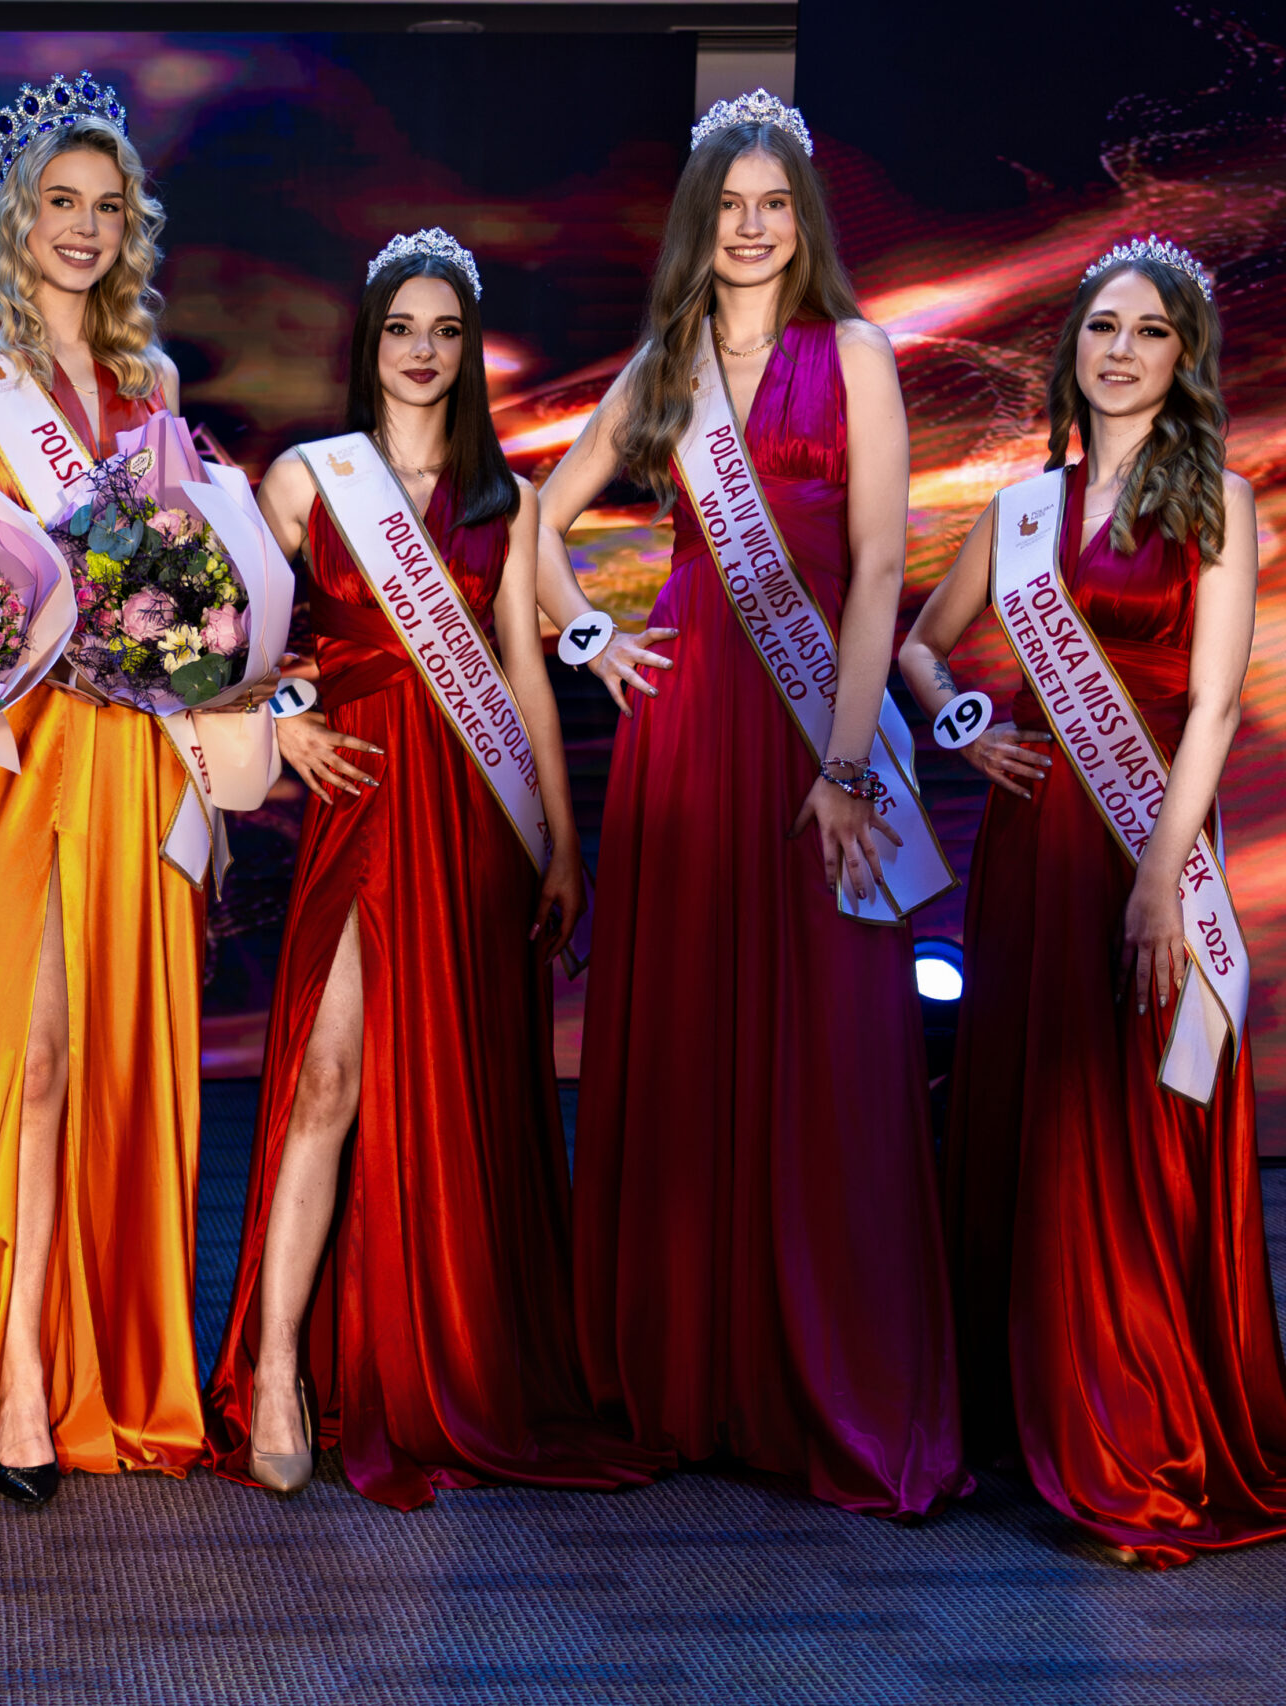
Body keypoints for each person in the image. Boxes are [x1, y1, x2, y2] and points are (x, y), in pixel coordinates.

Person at [532, 91, 968, 1518]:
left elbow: (879, 569)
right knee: (690, 1032)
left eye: (774, 204)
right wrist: (590, 634)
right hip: (686, 726)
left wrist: (843, 767)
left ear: (805, 218)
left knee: (829, 1041)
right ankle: (688, 1376)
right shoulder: (665, 362)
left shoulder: (855, 355)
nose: (753, 226)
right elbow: (540, 520)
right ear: (699, 221)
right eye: (729, 205)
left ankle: (818, 1378)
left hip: (814, 731)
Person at [203, 232, 660, 1508]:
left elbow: (521, 674)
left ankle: (441, 1355)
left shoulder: (501, 502)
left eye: (445, 331)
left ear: (466, 352)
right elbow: (230, 633)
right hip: (359, 803)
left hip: (469, 811)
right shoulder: (307, 479)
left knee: (453, 1090)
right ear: (371, 342)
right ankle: (279, 1370)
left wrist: (560, 842)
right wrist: (281, 723)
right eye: (401, 327)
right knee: (328, 1076)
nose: (422, 349)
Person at [901, 238, 1286, 1568]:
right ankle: (1026, 1413)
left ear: (1185, 358)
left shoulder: (1219, 500)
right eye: (1102, 327)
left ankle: (1131, 1431)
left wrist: (1161, 883)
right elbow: (918, 644)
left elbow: (1218, 702)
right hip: (1029, 847)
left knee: (1124, 1130)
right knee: (1035, 1115)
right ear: (1072, 348)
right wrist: (965, 726)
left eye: (1149, 331)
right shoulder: (1024, 507)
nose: (1120, 350)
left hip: (1143, 850)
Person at [0, 74, 202, 1506]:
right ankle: (18, 1367)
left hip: (131, 750)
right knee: (29, 1057)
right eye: (59, 204)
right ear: (19, 219)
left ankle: (100, 1347)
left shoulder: (156, 384)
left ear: (129, 228)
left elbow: (187, 581)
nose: (82, 228)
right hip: (21, 756)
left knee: (111, 1058)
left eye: (106, 208)